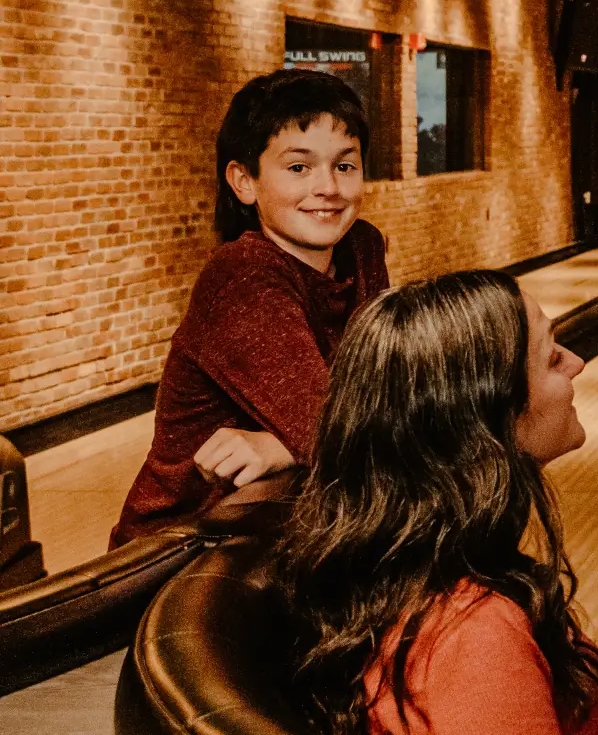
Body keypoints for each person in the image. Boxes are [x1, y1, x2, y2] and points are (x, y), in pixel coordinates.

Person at [277, 270, 598, 735]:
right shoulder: (472, 635)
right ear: (484, 413)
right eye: (551, 358)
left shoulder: (419, 579)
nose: (578, 363)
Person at [112, 69, 390, 547]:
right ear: (244, 181)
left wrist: (286, 445)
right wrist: (307, 438)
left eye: (345, 165)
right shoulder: (243, 277)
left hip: (285, 528)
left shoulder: (360, 248)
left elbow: (388, 388)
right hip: (182, 559)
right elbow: (345, 431)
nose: (328, 187)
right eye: (299, 168)